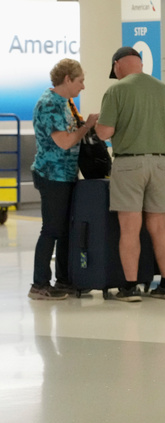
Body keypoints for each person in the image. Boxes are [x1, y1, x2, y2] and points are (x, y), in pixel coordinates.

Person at [95, 47, 165, 302]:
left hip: (129, 164)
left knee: (130, 228)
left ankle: (130, 288)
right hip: (160, 164)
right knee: (160, 226)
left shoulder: (117, 90)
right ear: (140, 64)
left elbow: (104, 133)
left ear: (117, 65)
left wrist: (97, 123)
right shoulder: (164, 90)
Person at [28, 59, 99, 300]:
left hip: (66, 175)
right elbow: (65, 141)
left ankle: (64, 280)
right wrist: (87, 125)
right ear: (67, 79)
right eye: (80, 81)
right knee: (51, 230)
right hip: (52, 175)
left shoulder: (66, 103)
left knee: (66, 230)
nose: (83, 87)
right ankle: (39, 284)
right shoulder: (49, 105)